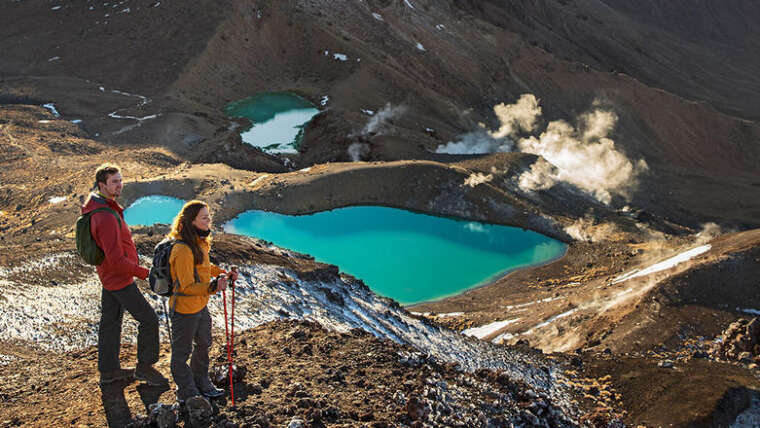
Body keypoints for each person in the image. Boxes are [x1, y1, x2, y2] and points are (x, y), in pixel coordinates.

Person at [82, 163, 168, 386]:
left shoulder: (102, 208)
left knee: (110, 323)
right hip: (118, 279)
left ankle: (108, 371)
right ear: (102, 185)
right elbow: (117, 260)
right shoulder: (107, 217)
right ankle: (145, 368)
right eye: (114, 182)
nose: (119, 185)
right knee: (148, 320)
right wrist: (146, 273)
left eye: (120, 180)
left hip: (109, 277)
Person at [166, 200, 238, 401]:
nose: (209, 221)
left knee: (204, 343)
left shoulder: (199, 243)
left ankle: (202, 381)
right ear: (192, 221)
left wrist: (224, 273)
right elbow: (186, 286)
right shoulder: (182, 250)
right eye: (204, 217)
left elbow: (205, 269)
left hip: (200, 305)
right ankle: (188, 392)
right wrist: (213, 287)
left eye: (209, 217)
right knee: (182, 352)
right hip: (184, 310)